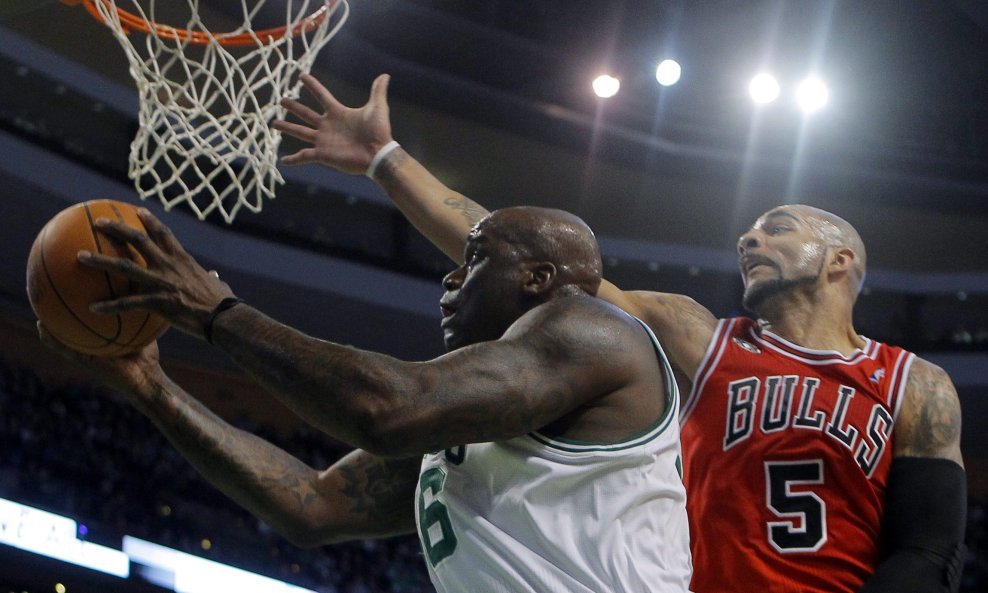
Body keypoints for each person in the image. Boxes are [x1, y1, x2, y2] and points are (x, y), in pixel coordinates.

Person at [271, 73, 968, 593]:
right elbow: (517, 253)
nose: (750, 236)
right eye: (749, 228)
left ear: (842, 259)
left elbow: (928, 552)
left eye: (777, 227)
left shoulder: (916, 385)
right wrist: (384, 159)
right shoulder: (703, 339)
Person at [40, 205, 693, 593]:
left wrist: (218, 313)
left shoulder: (593, 331)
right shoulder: (477, 419)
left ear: (539, 278)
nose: (450, 277)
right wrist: (150, 386)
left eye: (475, 257)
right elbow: (315, 505)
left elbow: (388, 406)